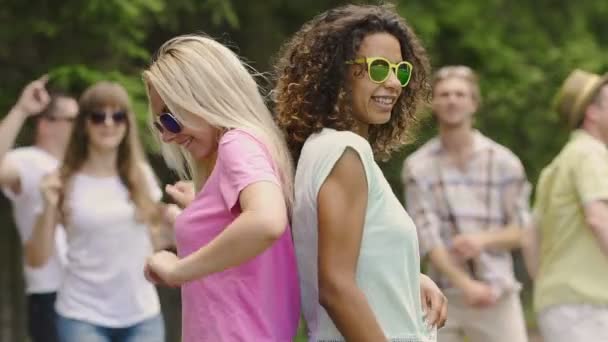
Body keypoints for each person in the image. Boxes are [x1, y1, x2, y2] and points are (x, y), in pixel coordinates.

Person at [274, 4, 447, 341]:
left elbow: (355, 259)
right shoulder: (345, 154)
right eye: (379, 68)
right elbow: (336, 287)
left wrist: (409, 279)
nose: (395, 83)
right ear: (337, 73)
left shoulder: (321, 148)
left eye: (401, 70)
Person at [142, 34, 300, 342]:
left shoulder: (236, 142)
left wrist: (179, 270)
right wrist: (203, 208)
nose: (166, 136)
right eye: (160, 125)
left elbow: (266, 220)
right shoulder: (249, 146)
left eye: (171, 120)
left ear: (203, 98)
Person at [29, 81, 165, 342]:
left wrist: (184, 218)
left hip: (143, 315)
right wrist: (47, 205)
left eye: (118, 116)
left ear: (127, 123)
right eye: (98, 116)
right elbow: (38, 259)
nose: (109, 123)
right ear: (84, 124)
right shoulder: (61, 180)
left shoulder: (142, 177)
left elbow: (157, 240)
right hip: (82, 316)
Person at [403, 65, 530, 342]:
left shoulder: (504, 162)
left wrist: (481, 240)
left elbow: (522, 230)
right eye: (444, 94)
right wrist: (465, 285)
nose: (452, 100)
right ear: (433, 103)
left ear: (474, 103)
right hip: (441, 294)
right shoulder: (417, 167)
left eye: (460, 94)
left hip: (498, 292)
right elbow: (427, 239)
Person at [522, 69, 608, 342]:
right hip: (587, 307)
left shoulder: (557, 165)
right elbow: (599, 218)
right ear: (592, 113)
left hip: (560, 303)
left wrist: (550, 284)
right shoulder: (590, 153)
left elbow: (530, 238)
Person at [0, 76, 78, 342]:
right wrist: (21, 110)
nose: (81, 127)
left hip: (97, 292)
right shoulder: (27, 161)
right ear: (45, 124)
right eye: (71, 120)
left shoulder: (88, 166)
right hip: (51, 293)